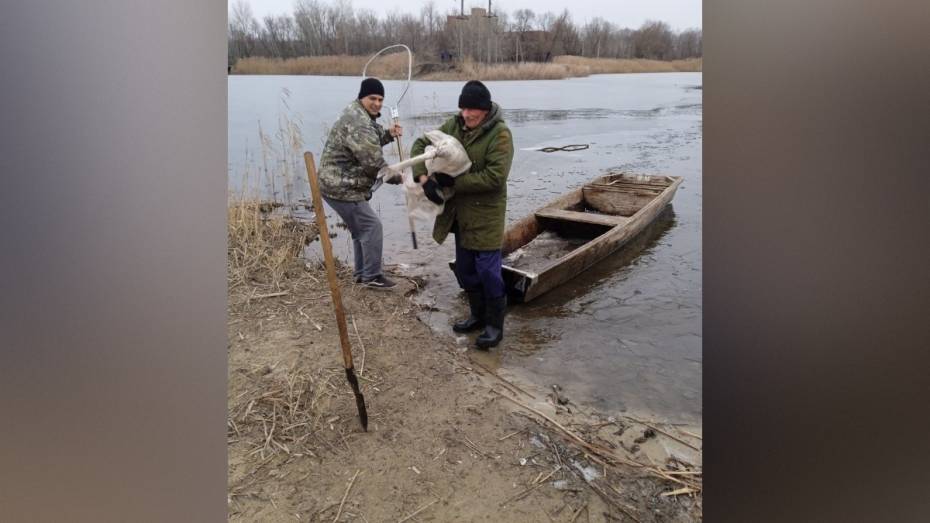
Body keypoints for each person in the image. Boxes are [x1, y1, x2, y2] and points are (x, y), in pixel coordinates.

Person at [409, 80, 514, 349]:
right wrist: (423, 177)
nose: (467, 115)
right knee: (466, 270)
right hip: (459, 214)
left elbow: (495, 177)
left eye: (473, 110)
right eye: (463, 108)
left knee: (489, 272)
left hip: (486, 214)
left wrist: (451, 182)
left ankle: (494, 325)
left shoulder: (500, 135)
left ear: (486, 109)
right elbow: (421, 142)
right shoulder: (454, 125)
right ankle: (477, 315)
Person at [318, 77, 403, 290]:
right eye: (372, 98)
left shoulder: (358, 113)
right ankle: (372, 276)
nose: (377, 103)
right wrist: (398, 177)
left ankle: (361, 273)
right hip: (342, 186)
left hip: (334, 183)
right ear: (362, 97)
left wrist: (388, 135)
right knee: (372, 226)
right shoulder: (360, 121)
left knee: (360, 230)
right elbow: (374, 163)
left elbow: (367, 139)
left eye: (380, 99)